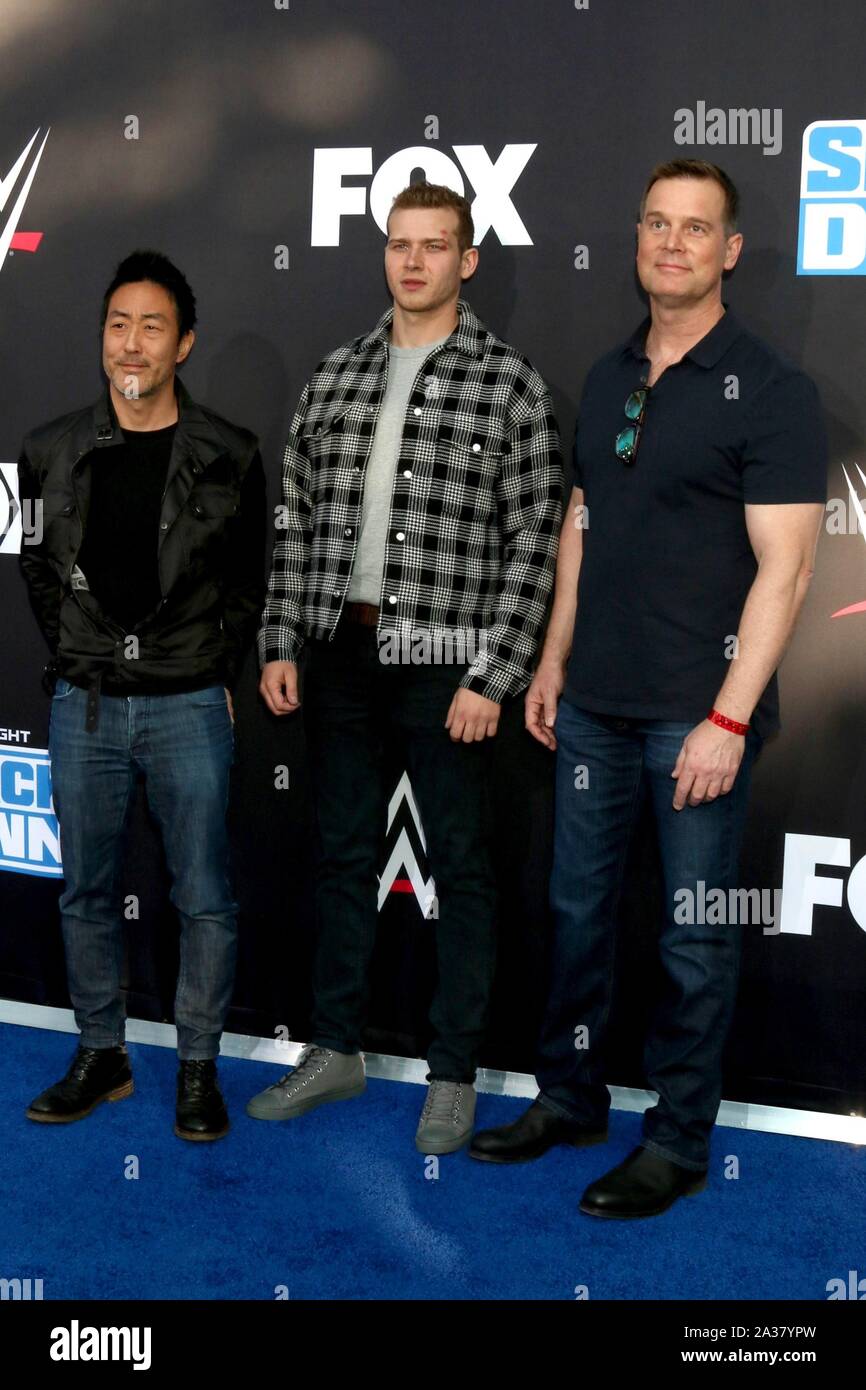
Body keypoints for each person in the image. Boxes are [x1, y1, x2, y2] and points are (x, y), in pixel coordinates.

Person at [469, 160, 827, 1216]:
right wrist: (550, 658)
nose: (671, 243)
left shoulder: (768, 389)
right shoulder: (612, 371)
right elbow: (582, 525)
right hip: (590, 707)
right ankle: (570, 1096)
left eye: (695, 229)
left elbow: (788, 569)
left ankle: (675, 1138)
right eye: (655, 224)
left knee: (691, 933)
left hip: (693, 718)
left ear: (727, 251)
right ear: (636, 238)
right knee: (576, 915)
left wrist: (724, 716)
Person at [248, 182, 562, 1154]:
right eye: (399, 243)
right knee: (342, 856)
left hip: (446, 662)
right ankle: (335, 1047)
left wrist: (492, 671)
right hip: (340, 651)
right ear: (383, 254)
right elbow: (295, 520)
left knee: (461, 869)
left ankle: (454, 1073)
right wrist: (279, 637)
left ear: (467, 261)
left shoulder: (509, 384)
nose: (413, 261)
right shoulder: (334, 375)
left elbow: (534, 541)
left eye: (434, 246)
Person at [18, 250, 266, 1141]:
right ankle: (102, 1053)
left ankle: (197, 1067)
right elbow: (42, 575)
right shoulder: (47, 450)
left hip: (189, 705)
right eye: (118, 325)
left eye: (152, 326)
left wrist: (208, 667)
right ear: (102, 340)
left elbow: (246, 587)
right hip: (83, 703)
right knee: (84, 890)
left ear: (183, 344)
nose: (131, 343)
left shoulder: (231, 456)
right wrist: (87, 653)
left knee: (203, 894)